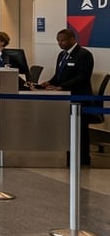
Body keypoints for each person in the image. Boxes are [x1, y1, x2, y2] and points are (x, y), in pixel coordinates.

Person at [39, 28, 95, 167]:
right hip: (64, 99)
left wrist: (62, 87)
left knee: (80, 129)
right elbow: (59, 75)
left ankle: (83, 159)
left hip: (80, 98)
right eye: (58, 41)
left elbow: (82, 77)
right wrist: (50, 83)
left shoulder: (84, 55)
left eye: (63, 40)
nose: (60, 43)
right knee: (67, 129)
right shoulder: (61, 55)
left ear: (72, 39)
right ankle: (69, 156)